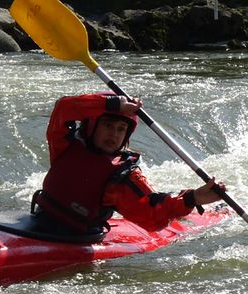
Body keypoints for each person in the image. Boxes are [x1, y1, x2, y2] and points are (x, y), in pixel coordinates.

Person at [31, 92, 226, 235]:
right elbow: (63, 107)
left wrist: (193, 198)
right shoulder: (65, 144)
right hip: (40, 221)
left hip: (78, 238)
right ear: (90, 126)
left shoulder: (122, 175)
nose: (113, 134)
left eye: (121, 129)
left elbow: (153, 216)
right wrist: (112, 104)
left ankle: (207, 210)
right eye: (107, 125)